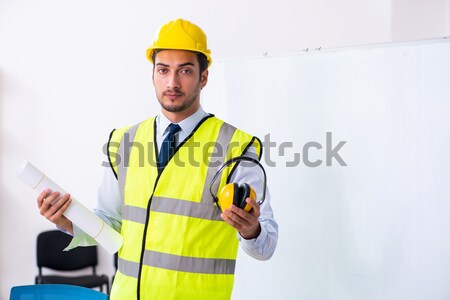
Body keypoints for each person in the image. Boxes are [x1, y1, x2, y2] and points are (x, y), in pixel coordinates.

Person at [37, 18, 278, 300]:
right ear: (153, 74)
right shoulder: (125, 141)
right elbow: (110, 225)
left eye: (185, 71)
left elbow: (267, 245)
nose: (172, 82)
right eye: (163, 70)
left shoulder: (236, 148)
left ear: (204, 77)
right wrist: (69, 222)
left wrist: (252, 231)